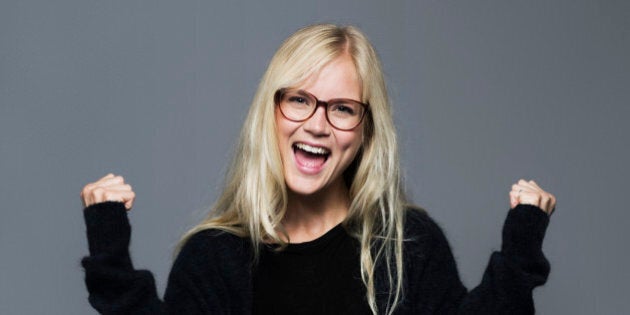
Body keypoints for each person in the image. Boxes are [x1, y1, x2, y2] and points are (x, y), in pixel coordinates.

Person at [80, 24, 556, 315]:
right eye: (300, 100)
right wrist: (110, 256)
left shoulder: (408, 245)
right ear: (271, 112)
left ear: (365, 129)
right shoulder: (214, 257)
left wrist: (520, 256)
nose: (317, 124)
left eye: (343, 108)